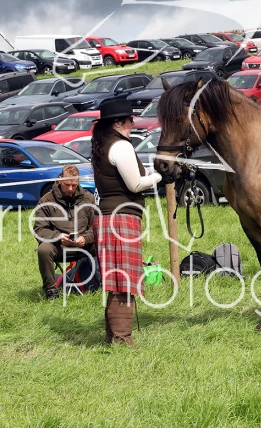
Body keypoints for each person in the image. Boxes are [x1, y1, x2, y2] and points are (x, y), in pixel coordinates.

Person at [91, 97, 162, 345]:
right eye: (130, 120)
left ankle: (113, 337)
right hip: (121, 218)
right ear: (118, 122)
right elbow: (135, 184)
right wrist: (159, 176)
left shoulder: (103, 145)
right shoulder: (121, 146)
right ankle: (122, 338)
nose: (132, 124)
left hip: (108, 217)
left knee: (117, 280)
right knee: (124, 280)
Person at [33, 164, 98, 300]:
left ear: (78, 182)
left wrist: (85, 238)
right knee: (44, 249)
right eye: (67, 184)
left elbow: (96, 227)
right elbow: (39, 229)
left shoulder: (89, 199)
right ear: (60, 179)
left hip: (83, 245)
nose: (70, 189)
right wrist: (58, 237)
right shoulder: (46, 200)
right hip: (59, 246)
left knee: (106, 243)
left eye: (74, 185)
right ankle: (51, 290)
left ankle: (107, 284)